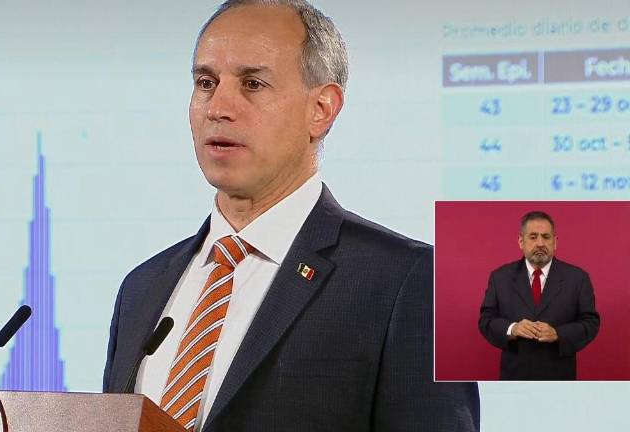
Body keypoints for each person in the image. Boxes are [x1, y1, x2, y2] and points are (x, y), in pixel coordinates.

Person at [104, 1, 480, 430]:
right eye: (206, 82)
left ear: (321, 108)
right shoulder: (142, 288)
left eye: (252, 84)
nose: (218, 107)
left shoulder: (409, 282)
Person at [479, 211, 600, 380]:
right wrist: (512, 328)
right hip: (514, 377)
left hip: (560, 377)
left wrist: (558, 334)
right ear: (521, 242)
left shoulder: (578, 278)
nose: (540, 243)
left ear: (555, 242)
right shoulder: (500, 277)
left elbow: (591, 323)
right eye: (533, 237)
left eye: (546, 237)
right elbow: (486, 320)